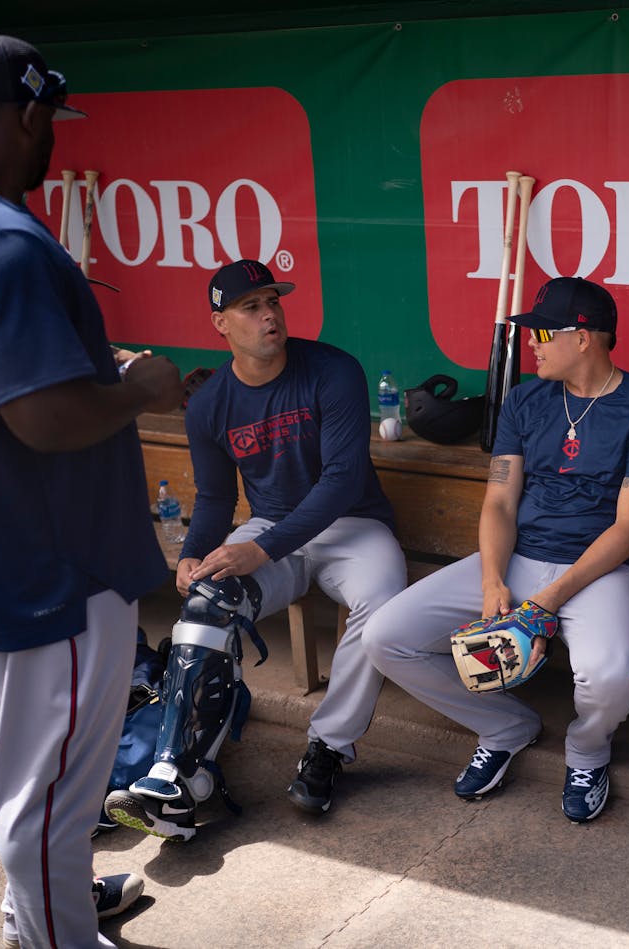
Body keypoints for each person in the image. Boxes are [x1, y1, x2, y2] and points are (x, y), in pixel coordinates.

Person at [0, 33, 184, 949]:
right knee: (50, 793)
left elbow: (9, 383)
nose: (55, 139)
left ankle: (39, 905)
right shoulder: (2, 241)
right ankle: (49, 934)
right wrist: (142, 386)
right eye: (51, 119)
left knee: (14, 757)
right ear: (25, 113)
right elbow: (45, 418)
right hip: (55, 568)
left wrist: (96, 368)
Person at [104, 259, 406, 840]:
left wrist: (260, 549)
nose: (269, 315)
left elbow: (342, 479)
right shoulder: (211, 402)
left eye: (274, 302)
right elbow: (216, 497)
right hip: (271, 529)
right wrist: (194, 554)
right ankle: (176, 770)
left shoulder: (333, 369)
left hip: (353, 524)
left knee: (382, 607)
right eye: (251, 307)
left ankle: (328, 746)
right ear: (221, 324)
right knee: (205, 602)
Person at [365, 276, 629, 822]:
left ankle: (587, 750)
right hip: (520, 557)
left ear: (583, 337)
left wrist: (546, 602)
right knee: (386, 637)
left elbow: (627, 531)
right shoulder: (525, 400)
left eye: (542, 333)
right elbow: (500, 505)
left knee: (608, 679)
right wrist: (492, 581)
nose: (531, 344)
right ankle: (504, 725)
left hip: (602, 571)